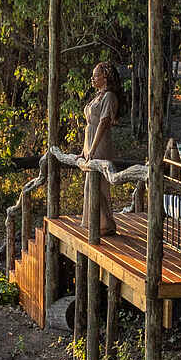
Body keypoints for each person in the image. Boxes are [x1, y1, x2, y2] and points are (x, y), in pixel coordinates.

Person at [81, 60, 121, 235]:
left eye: (96, 75)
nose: (92, 78)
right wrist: (84, 149)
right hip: (91, 143)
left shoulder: (109, 97)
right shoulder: (97, 96)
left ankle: (106, 224)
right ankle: (94, 222)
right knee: (90, 185)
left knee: (99, 184)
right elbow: (89, 125)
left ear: (105, 76)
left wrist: (93, 147)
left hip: (100, 143)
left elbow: (103, 123)